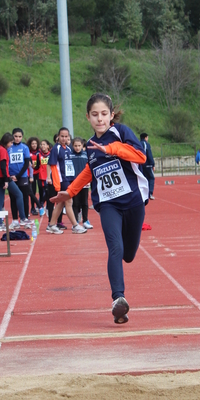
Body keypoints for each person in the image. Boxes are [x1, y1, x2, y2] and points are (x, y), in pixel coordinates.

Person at [51, 94, 148, 323]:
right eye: (94, 115)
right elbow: (89, 170)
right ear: (87, 117)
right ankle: (118, 300)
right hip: (108, 205)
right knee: (114, 247)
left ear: (111, 115)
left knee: (128, 255)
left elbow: (140, 156)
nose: (99, 119)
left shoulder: (121, 133)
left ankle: (120, 289)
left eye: (104, 114)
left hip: (133, 202)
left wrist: (112, 149)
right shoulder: (90, 147)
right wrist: (71, 191)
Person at [46, 128, 87, 234]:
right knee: (69, 201)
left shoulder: (68, 149)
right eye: (62, 136)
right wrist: (50, 178)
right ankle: (75, 225)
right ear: (58, 136)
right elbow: (51, 164)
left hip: (69, 178)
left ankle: (51, 224)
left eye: (66, 136)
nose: (64, 138)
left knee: (61, 203)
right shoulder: (56, 148)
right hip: (61, 179)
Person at [0, 132, 31, 231]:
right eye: (10, 142)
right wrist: (6, 180)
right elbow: (3, 166)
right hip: (3, 177)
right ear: (6, 142)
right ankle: (23, 218)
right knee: (19, 194)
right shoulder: (3, 151)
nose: (11, 144)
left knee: (0, 201)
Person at [8, 128, 32, 220]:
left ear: (22, 137)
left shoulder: (25, 148)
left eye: (20, 137)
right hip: (11, 176)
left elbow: (26, 164)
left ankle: (25, 218)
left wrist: (18, 176)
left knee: (24, 197)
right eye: (16, 136)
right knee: (13, 198)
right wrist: (10, 176)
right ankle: (15, 220)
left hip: (22, 176)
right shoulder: (9, 148)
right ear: (12, 136)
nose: (17, 138)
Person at [71, 137, 93, 228]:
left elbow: (90, 168)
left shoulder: (86, 155)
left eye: (79, 145)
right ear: (72, 146)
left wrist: (89, 180)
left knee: (84, 202)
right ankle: (75, 221)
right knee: (75, 203)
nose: (77, 147)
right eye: (75, 146)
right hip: (74, 182)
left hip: (84, 182)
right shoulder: (70, 155)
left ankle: (85, 220)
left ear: (82, 146)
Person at [140, 133, 155, 199]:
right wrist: (152, 164)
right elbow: (149, 154)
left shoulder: (138, 143)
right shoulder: (146, 144)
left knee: (143, 179)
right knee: (151, 178)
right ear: (145, 137)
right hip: (147, 164)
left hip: (140, 164)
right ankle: (150, 193)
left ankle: (143, 194)